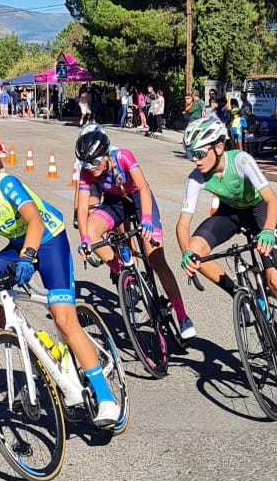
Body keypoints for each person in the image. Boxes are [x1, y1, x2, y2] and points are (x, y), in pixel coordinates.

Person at [0, 144, 120, 427]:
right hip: (19, 246)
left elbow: (34, 220)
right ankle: (35, 341)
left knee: (64, 318)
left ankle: (105, 395)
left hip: (49, 240)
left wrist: (28, 257)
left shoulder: (5, 185)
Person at [174, 114, 277, 378]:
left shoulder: (240, 160)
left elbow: (273, 201)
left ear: (217, 146)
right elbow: (182, 225)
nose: (195, 159)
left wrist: (269, 231)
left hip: (258, 211)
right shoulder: (195, 178)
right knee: (195, 250)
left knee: (275, 279)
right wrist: (186, 254)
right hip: (230, 213)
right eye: (191, 153)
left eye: (200, 153)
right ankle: (236, 290)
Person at [73, 126, 194, 344]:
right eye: (85, 163)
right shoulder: (86, 172)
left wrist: (146, 219)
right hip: (114, 203)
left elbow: (143, 187)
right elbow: (82, 209)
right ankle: (123, 272)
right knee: (91, 231)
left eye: (93, 162)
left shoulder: (122, 157)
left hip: (139, 199)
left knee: (156, 258)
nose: (89, 168)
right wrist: (84, 239)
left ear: (105, 155)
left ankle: (183, 315)